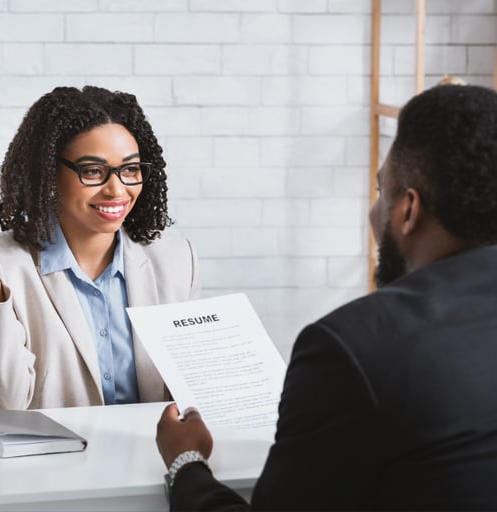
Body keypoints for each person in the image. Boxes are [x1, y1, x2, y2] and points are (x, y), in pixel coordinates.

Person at [155, 83, 497, 510]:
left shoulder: (351, 347)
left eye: (380, 193)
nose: (374, 213)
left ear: (409, 210)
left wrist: (185, 462)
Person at [0, 85, 200, 410]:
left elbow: (190, 395)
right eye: (93, 171)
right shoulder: (1, 266)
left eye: (130, 170)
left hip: (154, 456)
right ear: (49, 174)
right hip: (55, 460)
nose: (116, 189)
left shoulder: (177, 259)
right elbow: (4, 408)